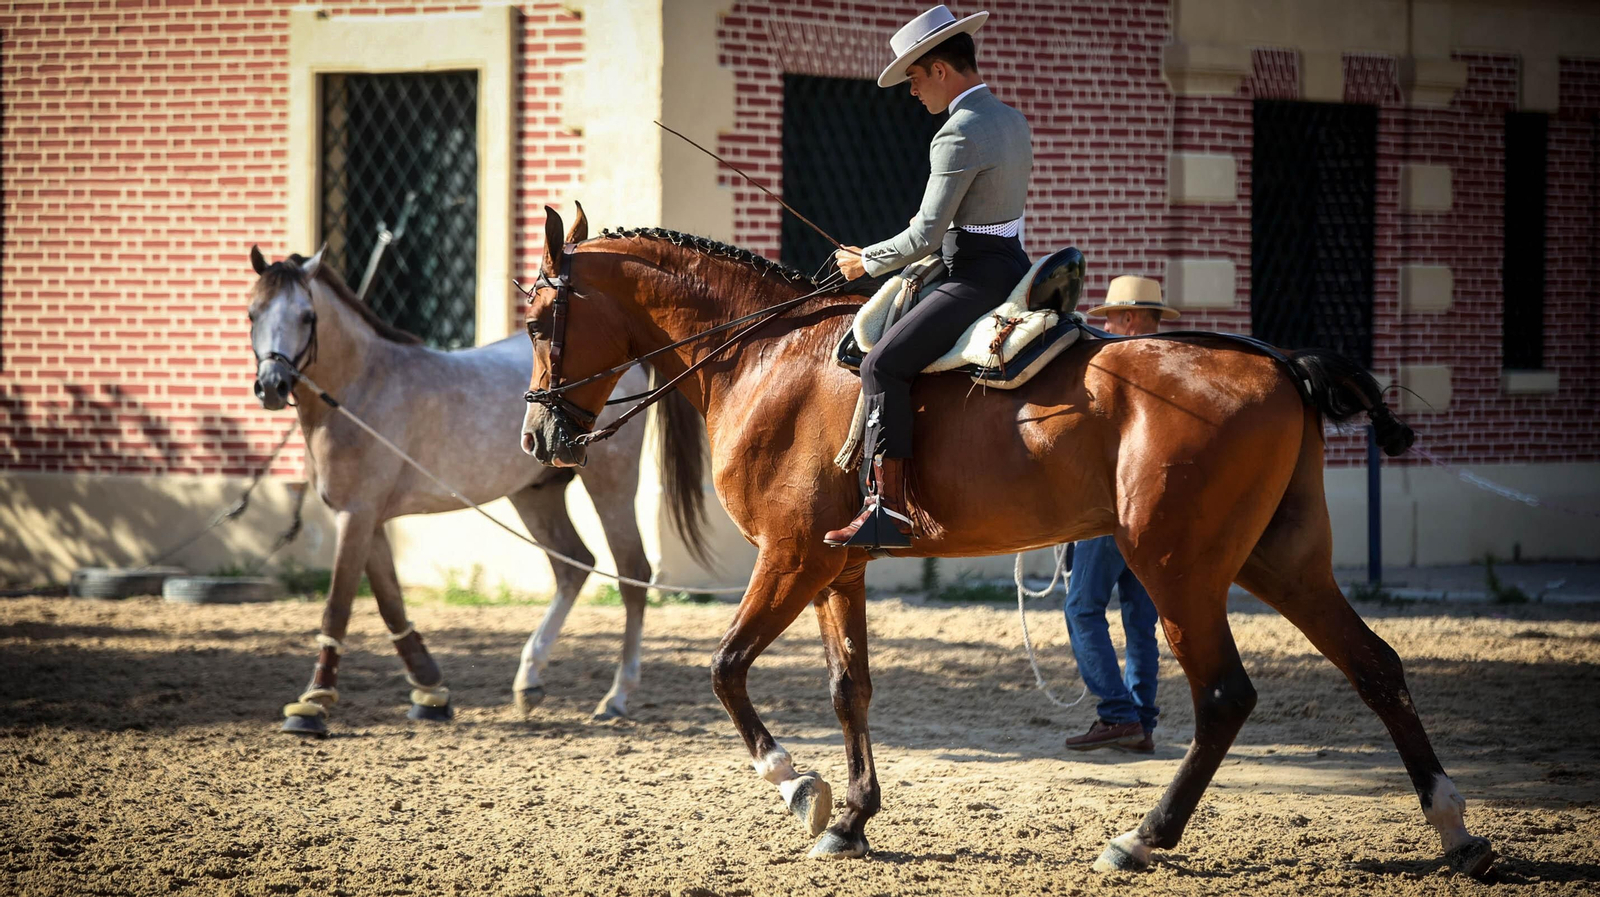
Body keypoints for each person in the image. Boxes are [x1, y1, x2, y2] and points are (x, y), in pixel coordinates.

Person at [824, 5, 1033, 550]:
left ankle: (885, 509)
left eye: (915, 79)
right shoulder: (1012, 119)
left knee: (882, 362)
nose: (914, 93)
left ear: (941, 70)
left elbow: (923, 235)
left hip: (974, 277)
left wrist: (863, 262)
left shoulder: (957, 134)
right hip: (1014, 264)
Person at [1061, 276, 1180, 754]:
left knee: (1082, 607)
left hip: (1113, 502)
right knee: (1140, 616)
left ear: (1129, 319)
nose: (1105, 324)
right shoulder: (1170, 368)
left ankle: (1116, 713)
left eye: (1110, 317)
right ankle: (1142, 720)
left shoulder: (1121, 368)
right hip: (1158, 506)